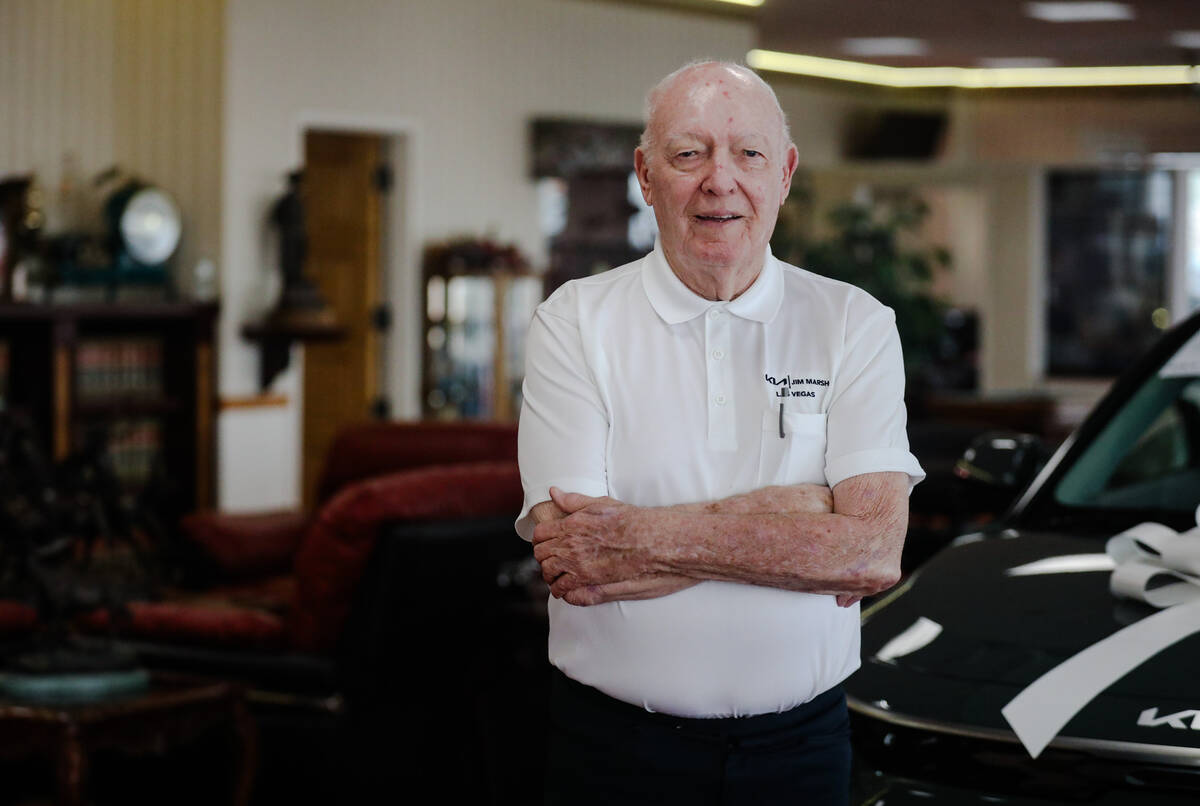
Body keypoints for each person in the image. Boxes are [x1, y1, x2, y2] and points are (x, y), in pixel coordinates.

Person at [515, 60, 925, 805]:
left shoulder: (853, 322)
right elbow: (575, 559)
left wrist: (640, 536)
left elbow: (870, 552)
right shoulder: (574, 321)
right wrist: (804, 515)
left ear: (786, 172)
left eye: (749, 154)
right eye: (689, 153)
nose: (720, 180)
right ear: (645, 173)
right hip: (614, 753)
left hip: (800, 752)